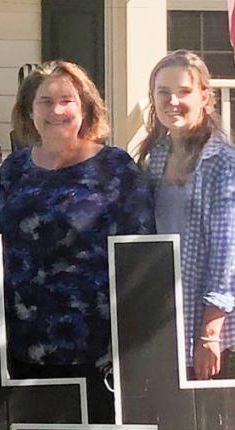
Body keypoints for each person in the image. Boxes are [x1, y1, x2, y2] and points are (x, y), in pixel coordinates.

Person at [0, 60, 154, 423]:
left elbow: (141, 253)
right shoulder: (12, 170)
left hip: (98, 350)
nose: (56, 110)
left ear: (85, 107)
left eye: (67, 100)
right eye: (45, 101)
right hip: (25, 347)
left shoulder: (116, 167)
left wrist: (132, 338)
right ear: (28, 111)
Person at [137, 50, 235, 381]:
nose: (173, 101)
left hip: (217, 336)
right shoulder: (156, 157)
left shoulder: (224, 164)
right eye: (163, 92)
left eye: (183, 91)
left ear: (205, 97)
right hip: (163, 325)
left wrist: (209, 335)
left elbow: (227, 257)